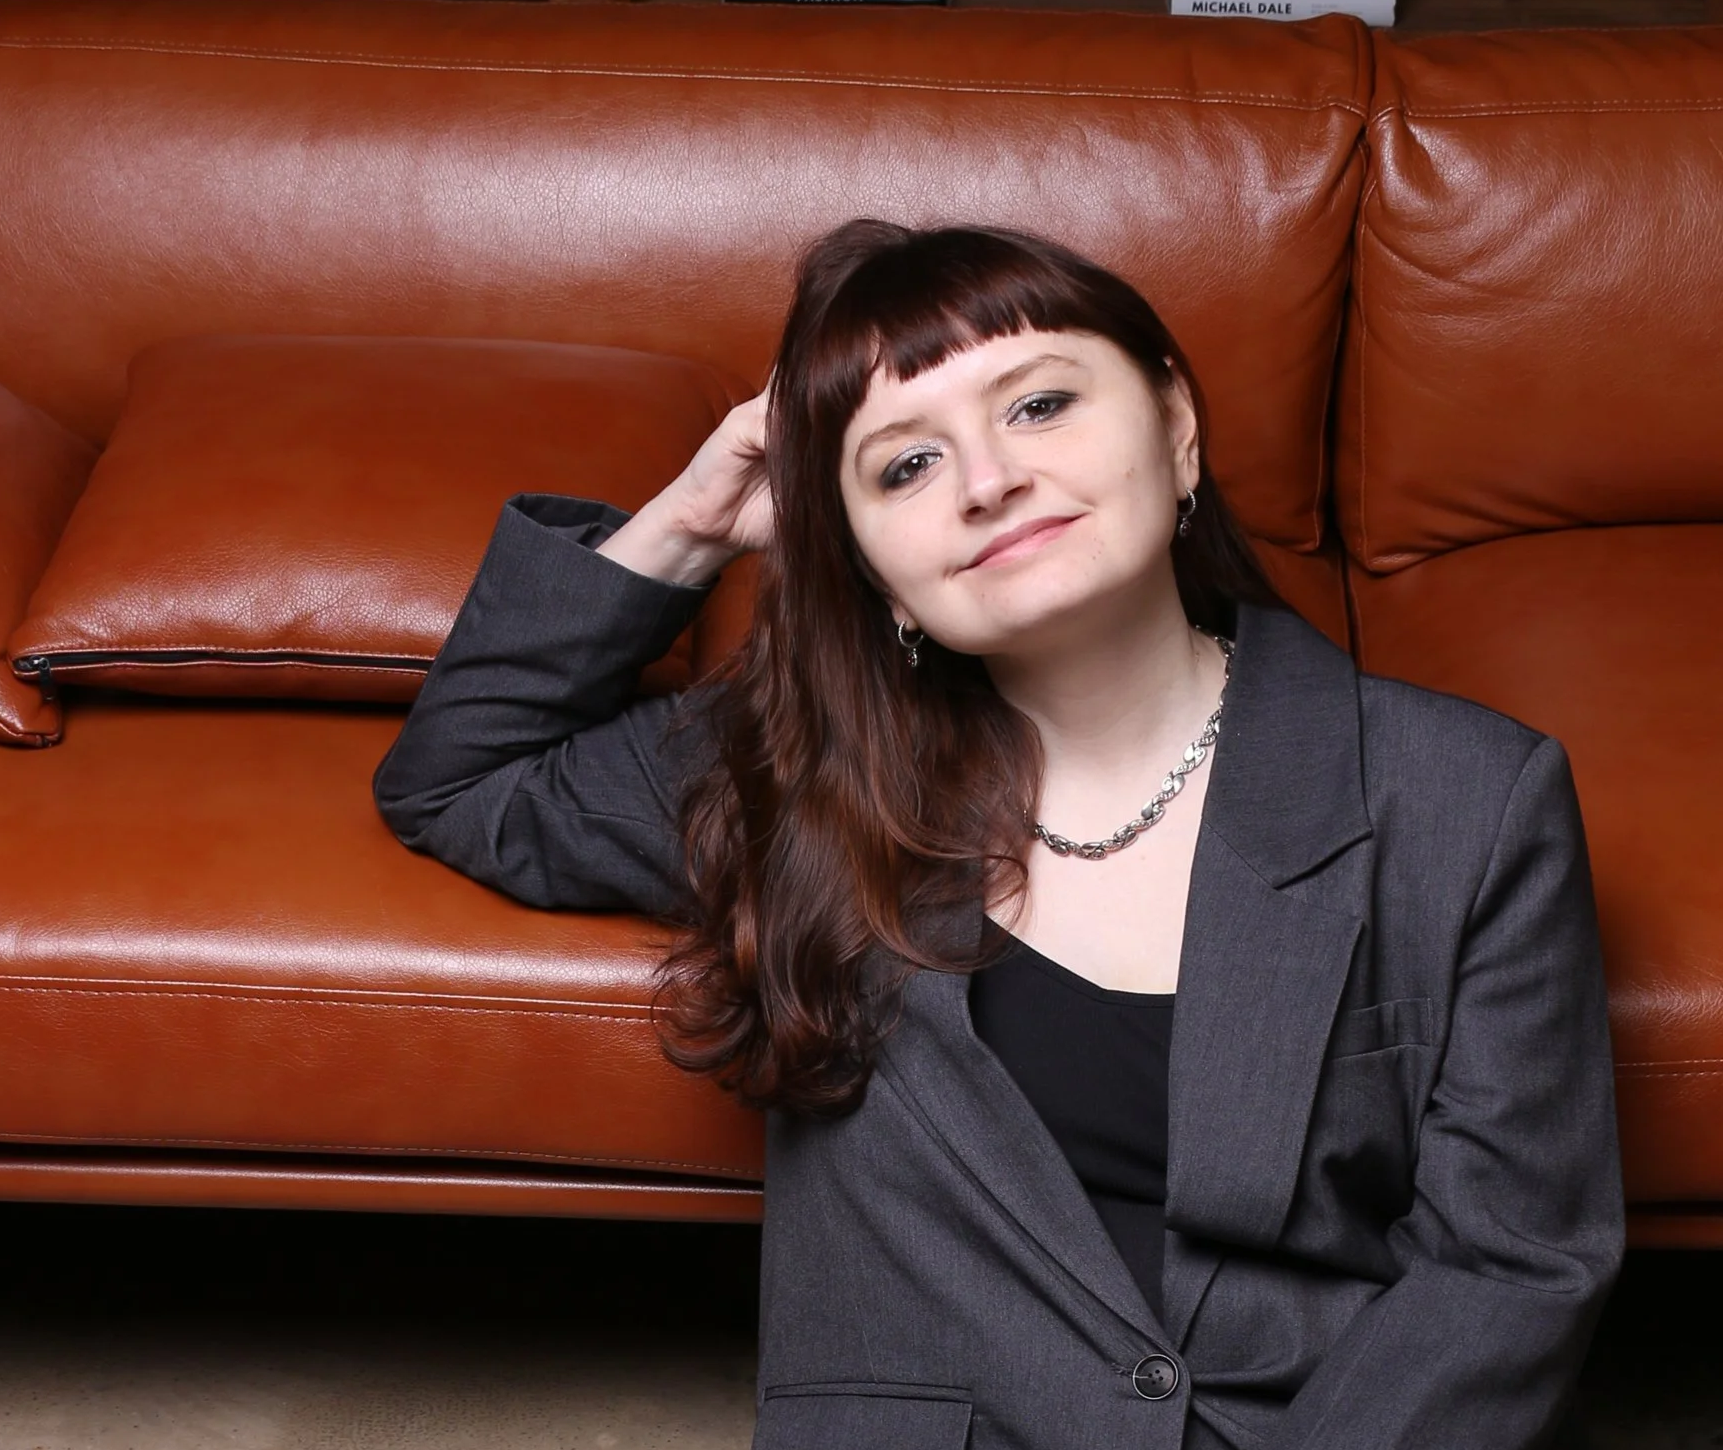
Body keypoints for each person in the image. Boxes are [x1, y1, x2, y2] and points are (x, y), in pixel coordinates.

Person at [374, 219, 1623, 1450]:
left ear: (1176, 425)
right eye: (904, 467)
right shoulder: (797, 776)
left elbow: (1511, 1263)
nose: (987, 481)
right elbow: (459, 775)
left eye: (1039, 405)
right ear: (868, 567)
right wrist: (695, 522)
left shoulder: (1467, 796)